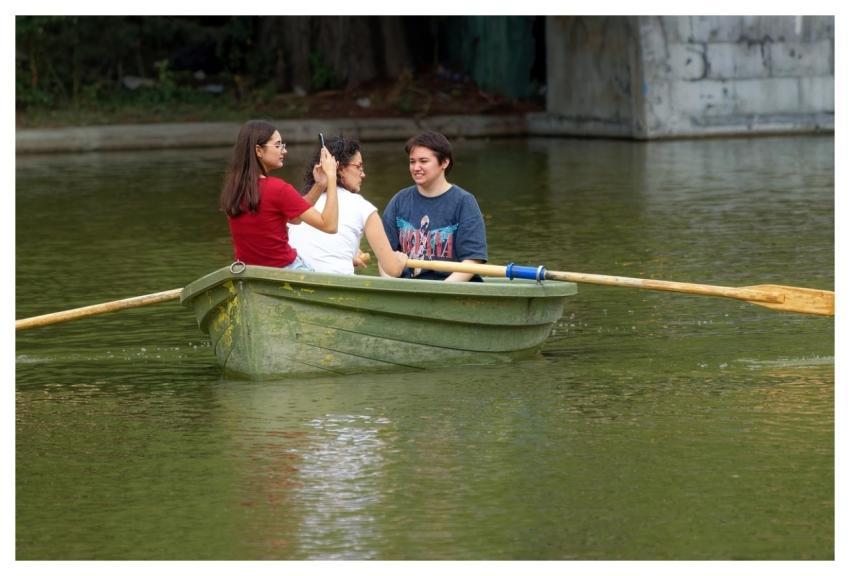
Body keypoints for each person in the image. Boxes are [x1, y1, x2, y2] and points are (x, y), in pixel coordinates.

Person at [220, 120, 338, 270]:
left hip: (249, 273)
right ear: (259, 151)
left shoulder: (235, 189)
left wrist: (320, 185)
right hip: (286, 271)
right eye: (278, 145)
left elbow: (295, 218)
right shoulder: (278, 189)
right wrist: (332, 177)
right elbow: (330, 225)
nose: (284, 151)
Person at [290, 137, 407, 277]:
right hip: (336, 289)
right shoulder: (363, 208)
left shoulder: (299, 205)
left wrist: (347, 256)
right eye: (359, 167)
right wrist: (400, 260)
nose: (363, 174)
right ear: (339, 169)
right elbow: (392, 269)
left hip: (296, 280)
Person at [381, 131, 487, 281]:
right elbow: (384, 254)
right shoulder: (399, 200)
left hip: (451, 289)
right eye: (412, 162)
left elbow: (473, 260)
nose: (416, 167)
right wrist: (390, 286)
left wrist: (441, 292)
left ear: (444, 162)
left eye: (423, 161)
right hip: (407, 289)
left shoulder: (464, 202)